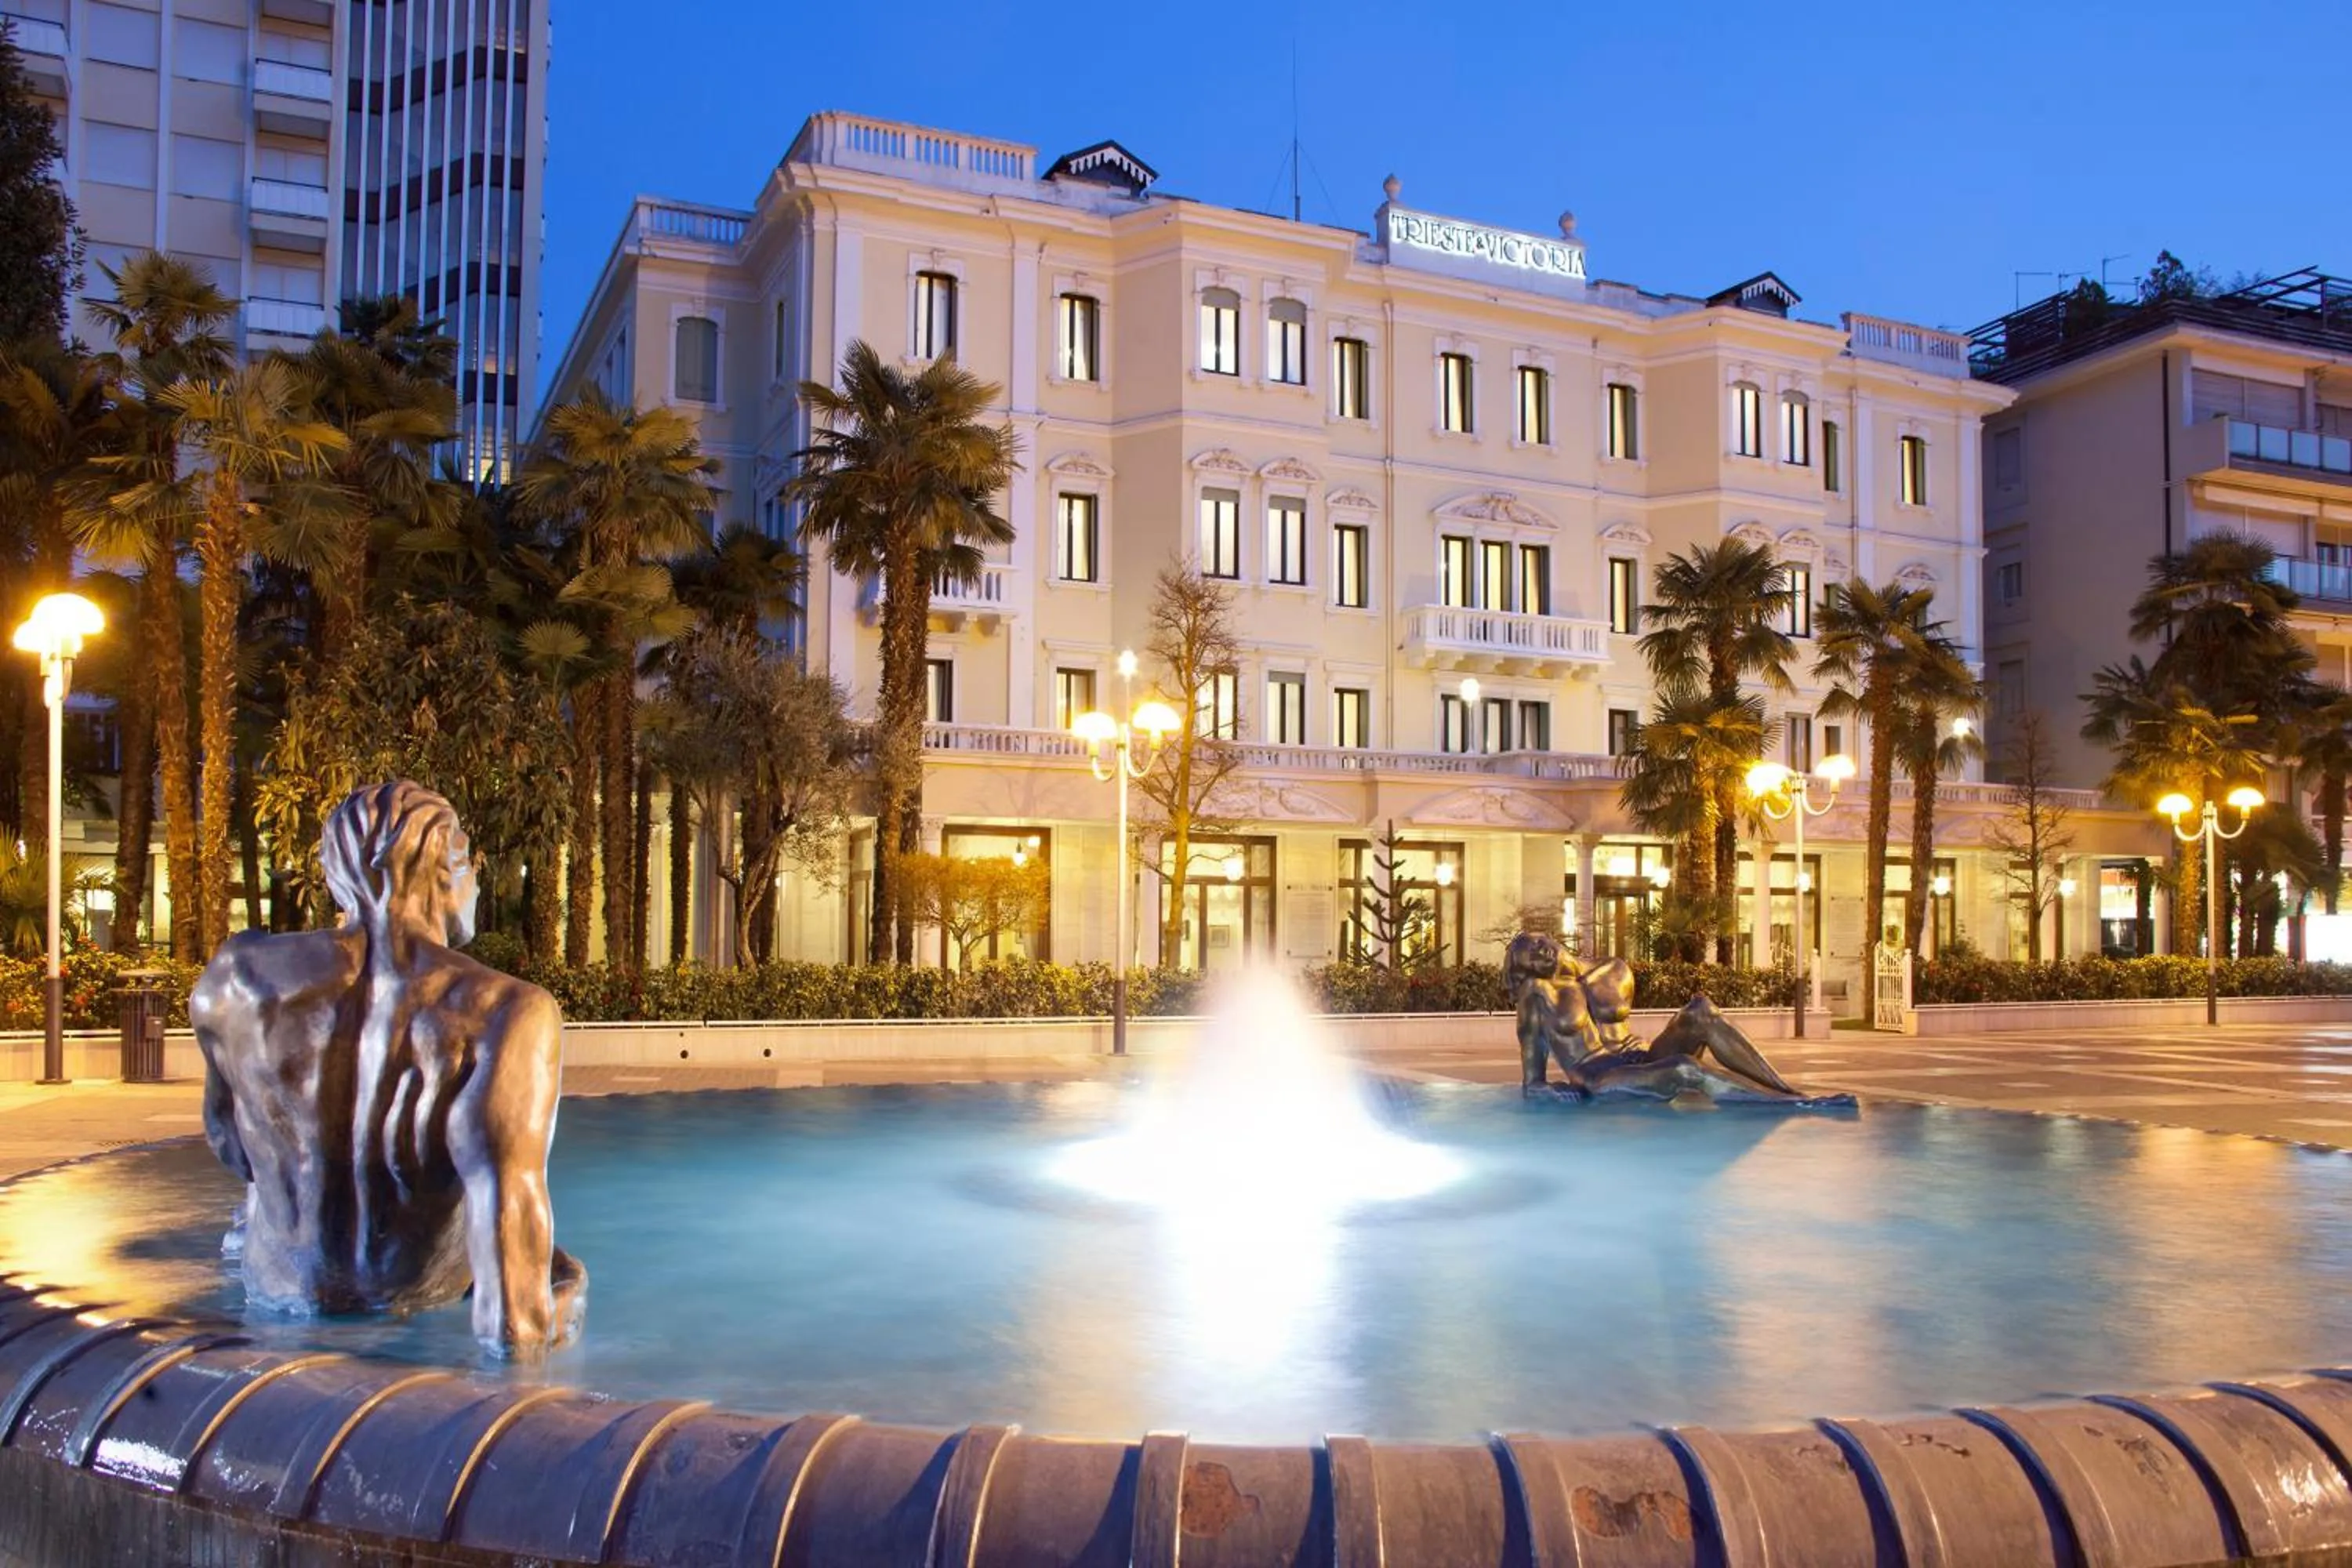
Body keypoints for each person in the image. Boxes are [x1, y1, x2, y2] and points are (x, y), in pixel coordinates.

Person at [192, 781, 584, 1356]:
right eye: (468, 862)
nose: (476, 881)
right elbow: (508, 1233)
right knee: (559, 1268)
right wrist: (551, 1315)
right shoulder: (505, 1011)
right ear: (445, 871)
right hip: (417, 1295)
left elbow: (229, 1145)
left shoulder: (236, 978)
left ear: (336, 875)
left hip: (279, 1289)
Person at [1503, 931, 1846, 1106]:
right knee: (1684, 1067)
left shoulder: (1611, 969)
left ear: (1551, 937)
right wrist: (1545, 1090)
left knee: (1701, 1011)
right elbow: (1532, 1076)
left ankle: (1786, 1090)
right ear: (1524, 971)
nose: (1537, 950)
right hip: (1600, 1076)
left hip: (1640, 1057)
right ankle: (1794, 1104)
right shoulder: (1537, 993)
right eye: (1527, 955)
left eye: (1537, 941)